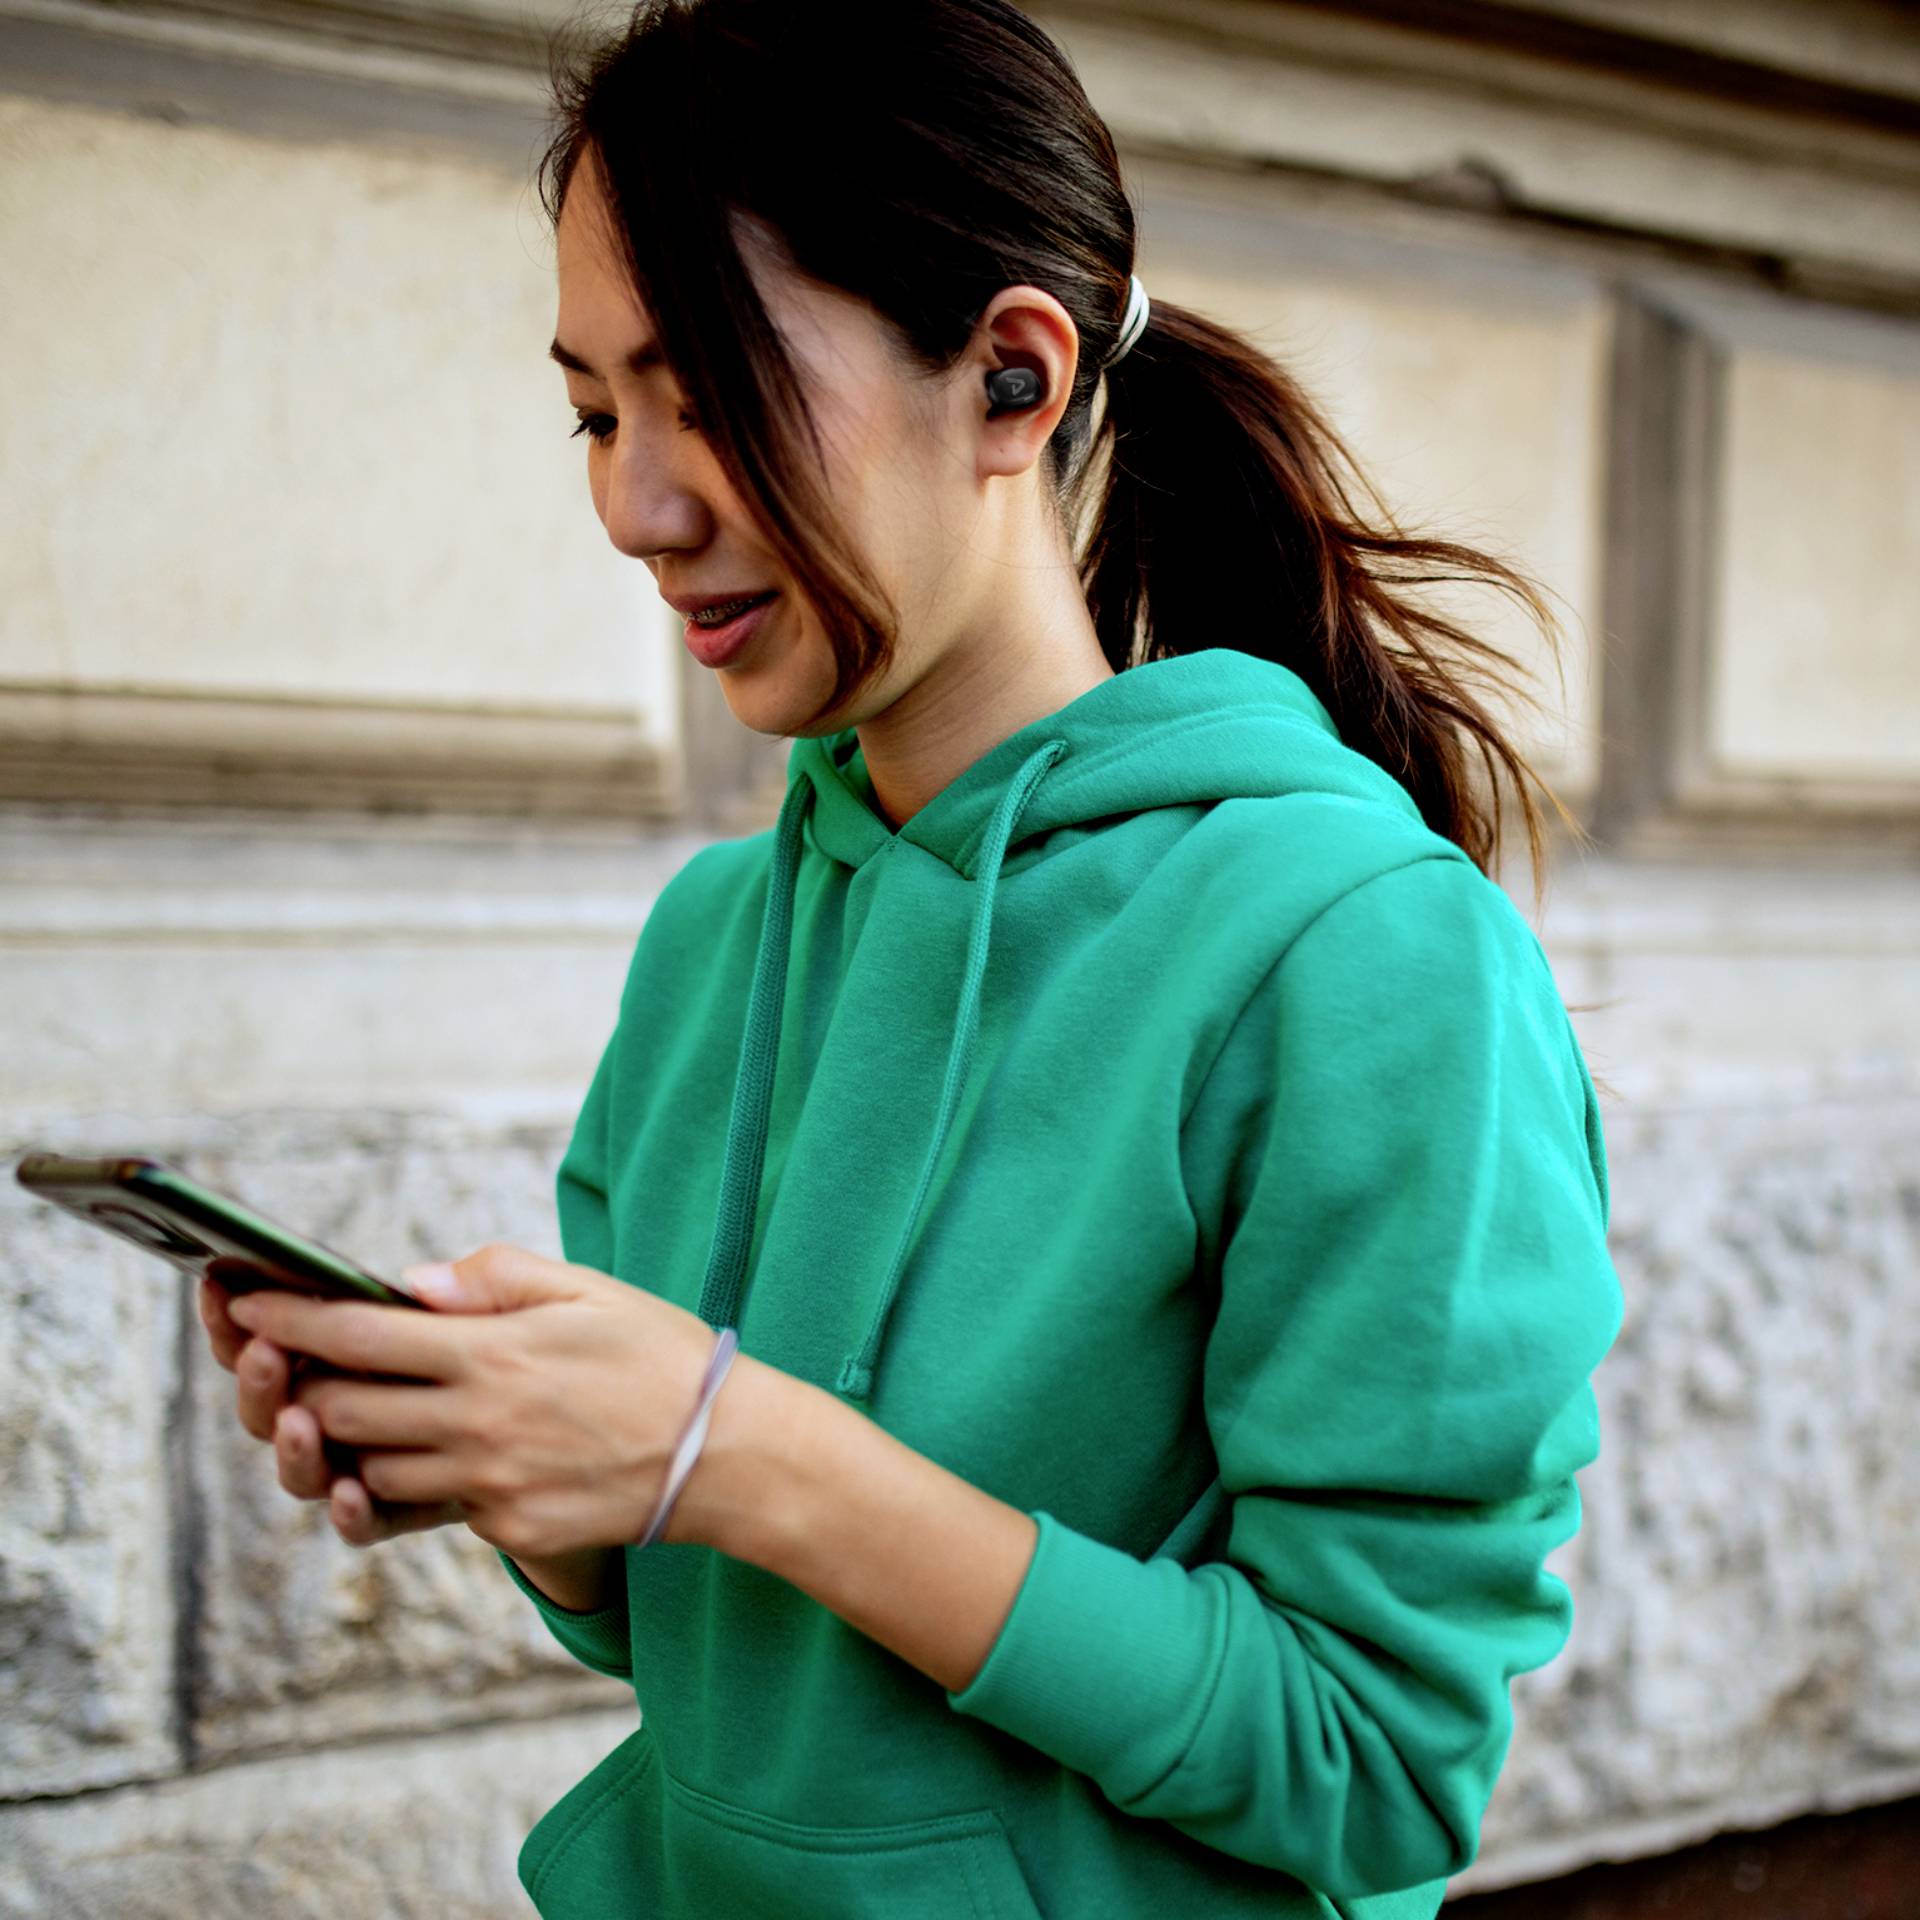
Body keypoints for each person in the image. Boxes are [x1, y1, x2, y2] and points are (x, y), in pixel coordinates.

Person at [197, 1, 1625, 1914]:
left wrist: (737, 1451)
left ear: (1014, 381)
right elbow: (695, 1647)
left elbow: (1368, 1761)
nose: (634, 508)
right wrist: (525, 1471)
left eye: (712, 391)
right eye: (597, 412)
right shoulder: (715, 942)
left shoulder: (1358, 958)